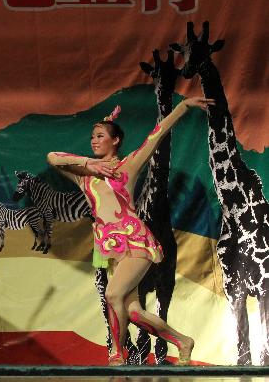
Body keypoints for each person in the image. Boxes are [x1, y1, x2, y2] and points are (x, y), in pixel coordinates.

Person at [47, 97, 213, 366]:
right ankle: (183, 341)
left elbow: (156, 135)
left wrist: (183, 107)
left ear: (115, 141)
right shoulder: (83, 175)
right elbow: (53, 157)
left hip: (135, 241)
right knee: (133, 312)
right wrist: (90, 164)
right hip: (110, 249)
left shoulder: (128, 166)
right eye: (92, 136)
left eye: (100, 136)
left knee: (112, 295)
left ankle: (115, 352)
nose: (93, 140)